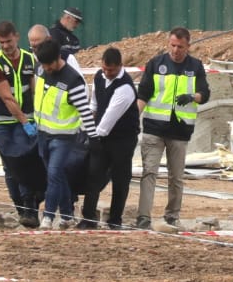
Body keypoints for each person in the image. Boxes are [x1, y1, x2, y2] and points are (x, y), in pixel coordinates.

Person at [134, 26, 211, 232]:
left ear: (188, 46)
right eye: (172, 45)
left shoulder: (195, 66)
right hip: (154, 128)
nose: (175, 50)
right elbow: (143, 94)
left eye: (180, 47)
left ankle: (172, 216)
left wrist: (192, 97)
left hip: (180, 130)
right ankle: (143, 217)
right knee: (149, 173)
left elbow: (204, 93)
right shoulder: (155, 64)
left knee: (176, 177)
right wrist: (133, 120)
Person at [0, 20, 46, 229]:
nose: (6, 46)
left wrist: (37, 116)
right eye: (1, 42)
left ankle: (30, 207)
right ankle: (20, 207)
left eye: (8, 41)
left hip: (25, 119)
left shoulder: (30, 60)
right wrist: (25, 121)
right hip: (3, 122)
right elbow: (7, 98)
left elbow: (35, 90)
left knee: (24, 163)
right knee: (10, 167)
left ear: (16, 37)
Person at [32, 37, 97, 229]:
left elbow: (85, 111)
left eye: (49, 65)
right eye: (43, 65)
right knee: (57, 175)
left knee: (53, 174)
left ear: (58, 58)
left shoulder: (73, 80)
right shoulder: (41, 68)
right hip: (42, 133)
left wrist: (93, 137)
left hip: (63, 137)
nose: (46, 68)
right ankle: (67, 215)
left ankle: (48, 216)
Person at [80, 47, 140, 230]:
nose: (107, 73)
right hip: (102, 135)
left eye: (111, 70)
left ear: (120, 66)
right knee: (94, 175)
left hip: (123, 139)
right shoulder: (99, 77)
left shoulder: (125, 88)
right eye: (104, 69)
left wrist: (93, 137)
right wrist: (87, 126)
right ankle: (89, 218)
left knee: (120, 179)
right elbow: (94, 105)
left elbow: (108, 120)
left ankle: (115, 220)